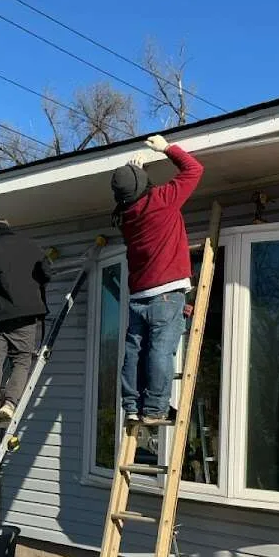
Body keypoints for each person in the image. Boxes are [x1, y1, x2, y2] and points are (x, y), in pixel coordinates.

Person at [111, 134, 204, 426]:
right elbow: (193, 169)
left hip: (139, 296)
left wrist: (137, 174)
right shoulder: (162, 201)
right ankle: (155, 409)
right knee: (160, 351)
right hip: (167, 295)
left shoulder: (125, 216)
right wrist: (166, 148)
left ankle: (131, 405)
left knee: (135, 352)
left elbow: (135, 195)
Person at [0, 218, 52, 423]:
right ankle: (10, 403)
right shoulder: (31, 247)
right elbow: (47, 273)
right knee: (22, 360)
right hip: (27, 315)